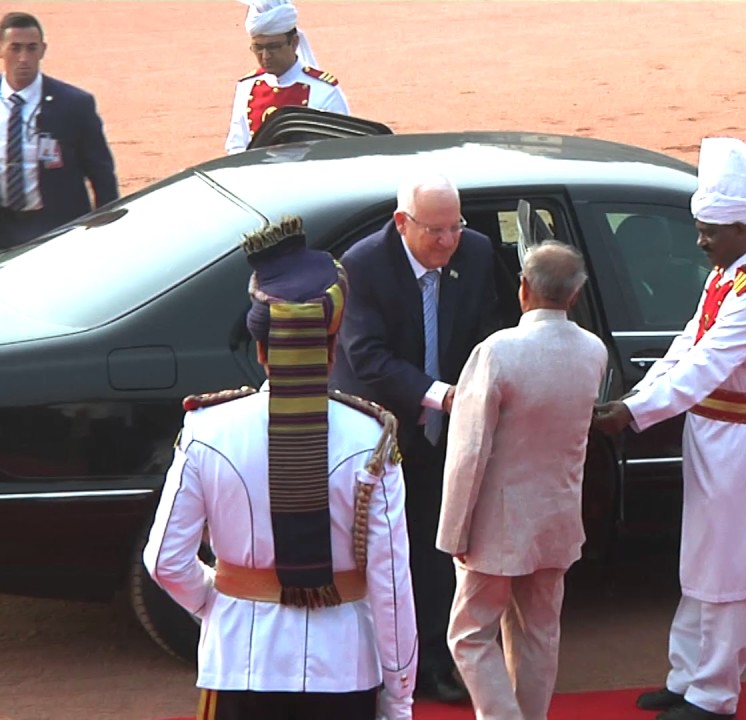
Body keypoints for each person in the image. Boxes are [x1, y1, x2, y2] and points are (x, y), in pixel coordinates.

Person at [593, 137, 746, 720]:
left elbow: (707, 365)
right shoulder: (729, 273)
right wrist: (637, 394)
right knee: (700, 561)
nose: (699, 242)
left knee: (729, 570)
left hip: (740, 444)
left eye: (709, 231)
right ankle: (686, 677)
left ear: (742, 228)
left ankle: (715, 693)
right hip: (708, 436)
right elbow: (688, 343)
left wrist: (632, 414)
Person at [142, 216, 418, 720]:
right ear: (332, 352)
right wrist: (399, 695)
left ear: (263, 350)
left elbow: (164, 561)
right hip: (346, 672)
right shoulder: (372, 438)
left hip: (238, 667)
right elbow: (392, 583)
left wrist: (221, 602)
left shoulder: (208, 430)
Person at [331, 171, 501, 706]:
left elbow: (492, 332)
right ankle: (381, 663)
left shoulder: (474, 254)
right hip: (382, 436)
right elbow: (368, 358)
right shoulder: (363, 265)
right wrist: (442, 395)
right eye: (436, 231)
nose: (449, 241)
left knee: (437, 551)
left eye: (455, 227)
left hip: (448, 438)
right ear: (402, 224)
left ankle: (436, 661)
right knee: (385, 557)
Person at [437, 240, 608, 720]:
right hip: (557, 516)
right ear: (574, 296)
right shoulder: (593, 351)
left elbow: (469, 450)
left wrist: (454, 530)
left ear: (523, 289)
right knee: (538, 633)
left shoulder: (497, 352)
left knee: (469, 635)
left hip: (497, 521)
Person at [0, 11, 117, 249]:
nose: (23, 58)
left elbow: (102, 174)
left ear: (43, 50)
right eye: (15, 48)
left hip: (57, 227)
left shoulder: (73, 104)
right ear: (1, 49)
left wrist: (107, 229)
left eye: (31, 48)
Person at [224, 0, 350, 154]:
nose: (265, 56)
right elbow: (237, 145)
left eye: (273, 47)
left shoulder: (324, 91)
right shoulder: (246, 87)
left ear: (294, 42)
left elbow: (338, 150)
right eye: (258, 47)